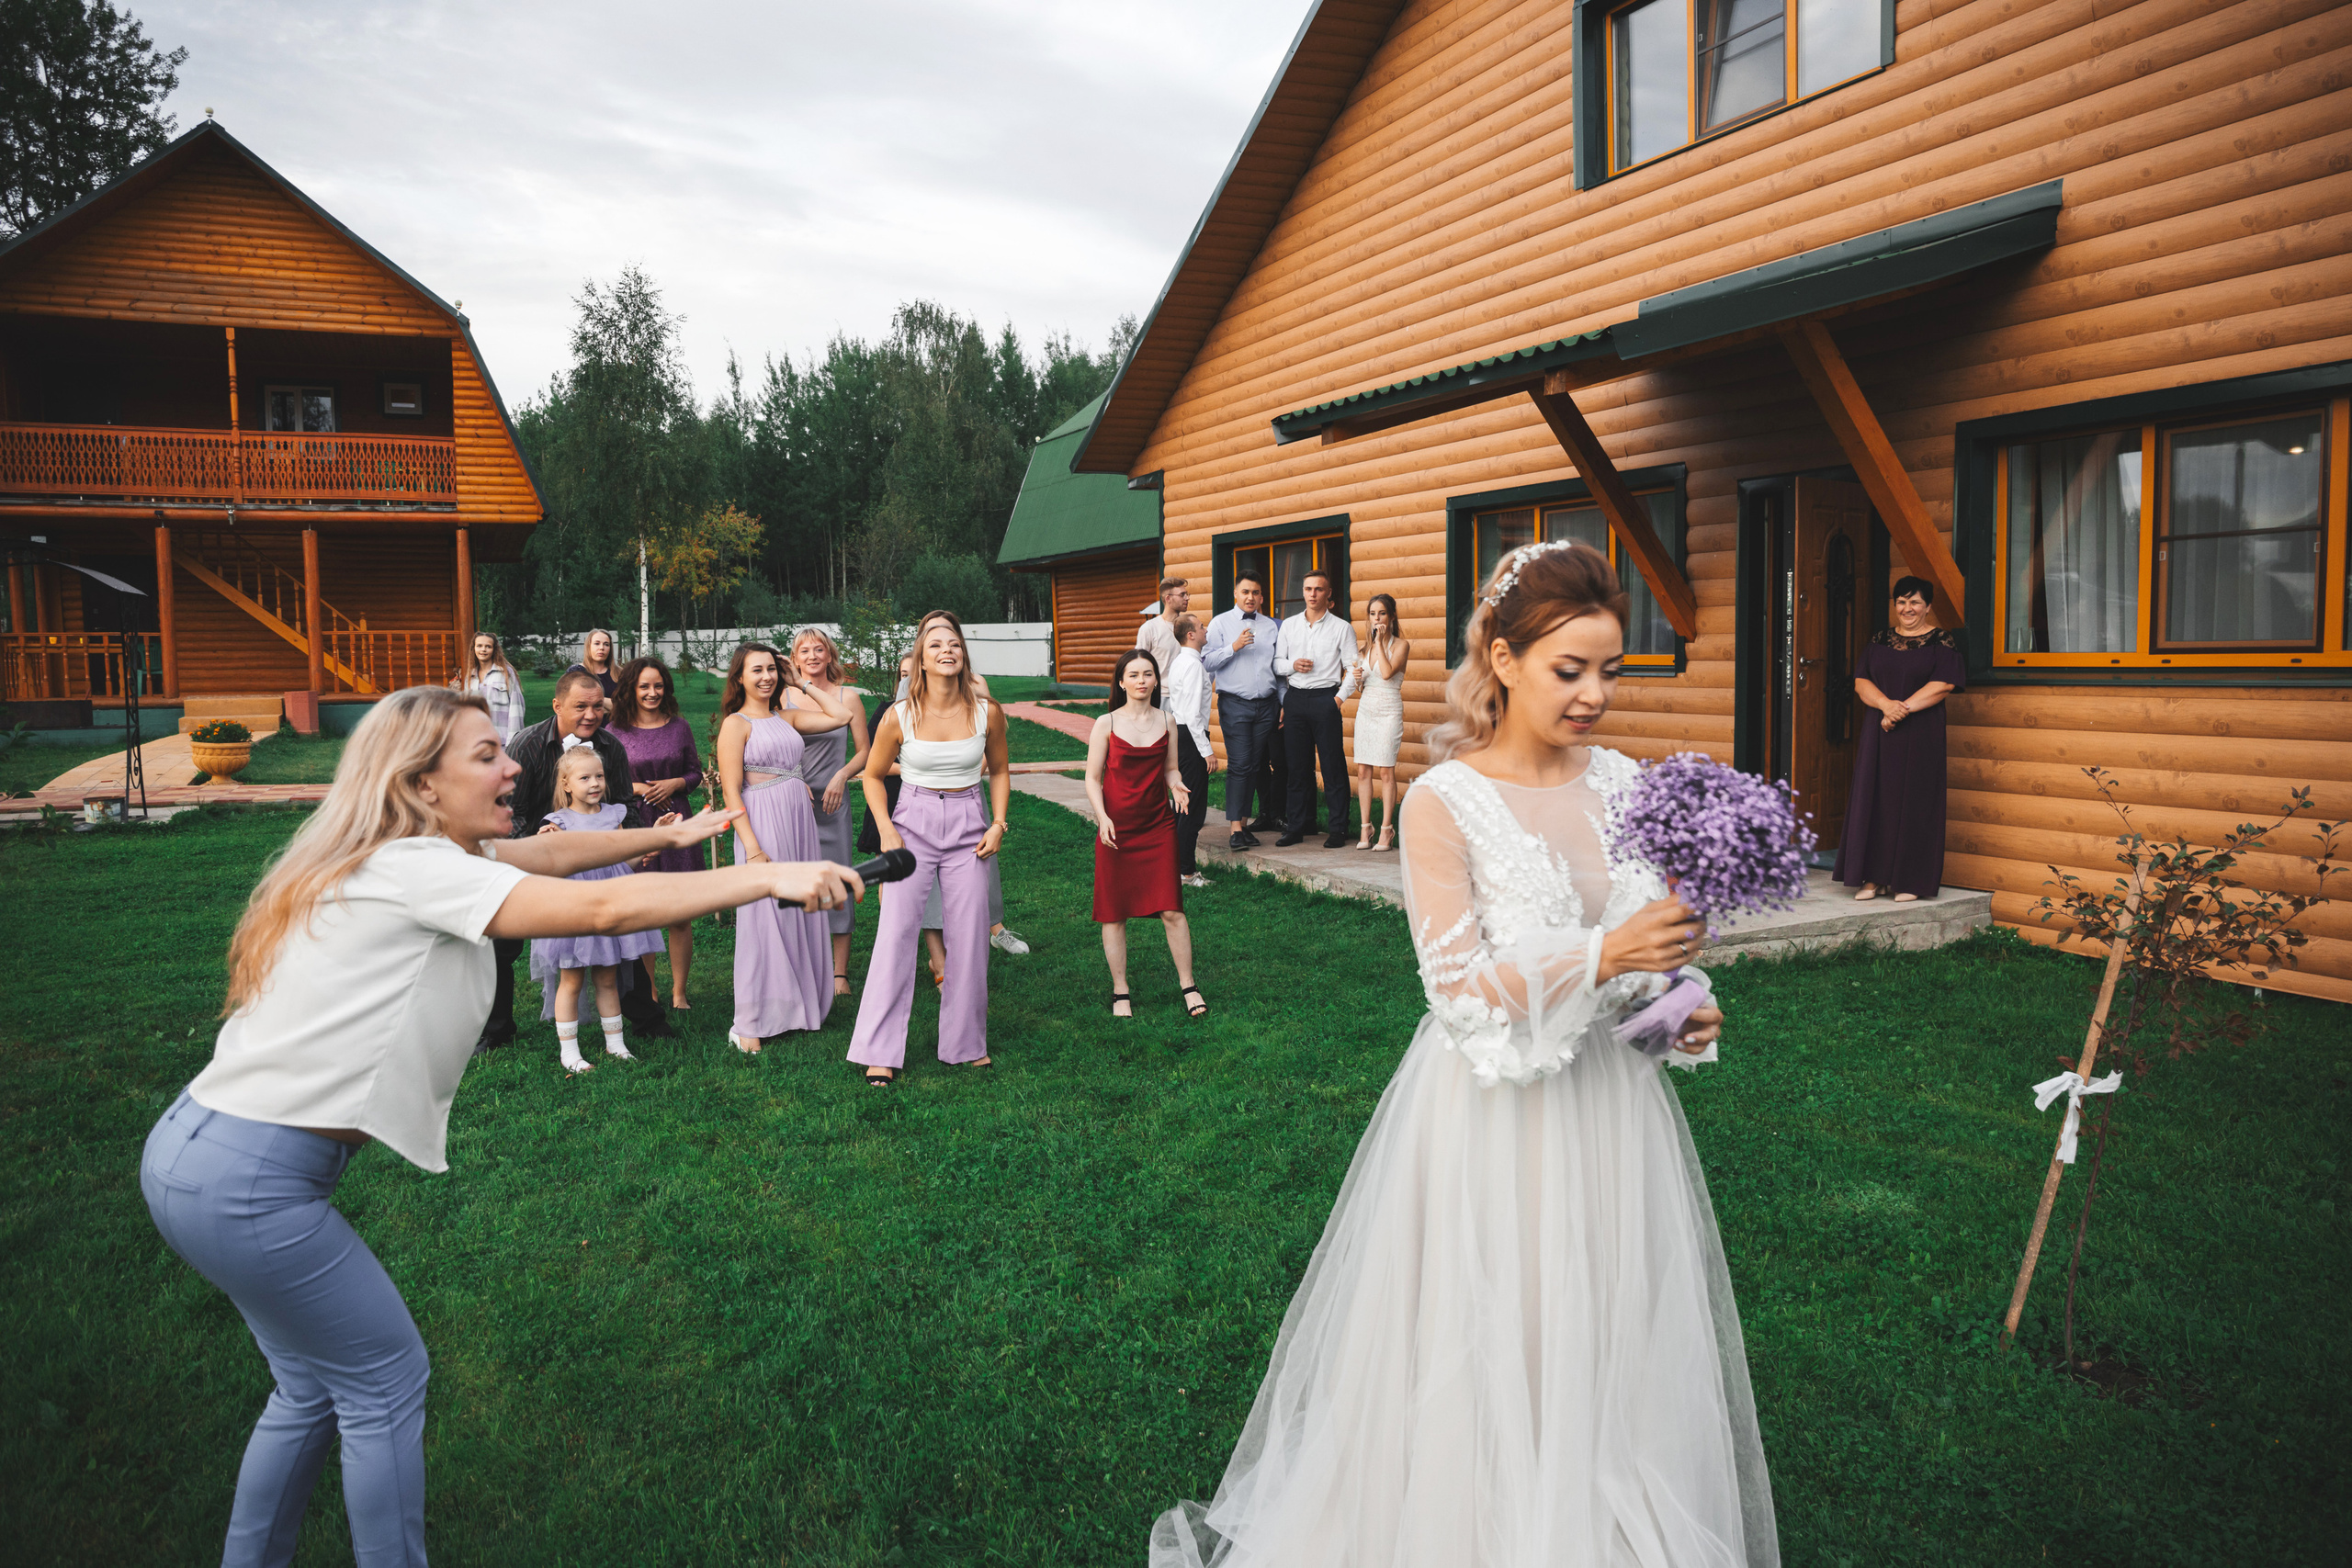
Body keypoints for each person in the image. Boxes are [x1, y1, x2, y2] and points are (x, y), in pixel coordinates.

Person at [1146, 541, 1772, 1568]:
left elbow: (1635, 953)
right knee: (1496, 1330)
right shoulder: (1444, 801)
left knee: (1599, 1329)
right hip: (1493, 1115)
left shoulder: (1626, 784)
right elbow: (1457, 987)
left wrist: (1678, 1003)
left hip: (1612, 1110)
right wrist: (1605, 953)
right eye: (1570, 669)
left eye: (1609, 669)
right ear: (1504, 658)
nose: (1594, 694)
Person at [140, 684, 855, 1568]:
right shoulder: (416, 867)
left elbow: (548, 854)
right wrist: (766, 877)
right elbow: (598, 908)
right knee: (384, 1380)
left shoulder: (406, 852)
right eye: (486, 756)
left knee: (311, 1390)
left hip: (199, 1154)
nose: (514, 766)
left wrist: (669, 837)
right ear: (422, 784)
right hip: (253, 1181)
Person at [848, 610, 1012, 1086]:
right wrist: (886, 829)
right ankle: (880, 1050)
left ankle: (965, 1044)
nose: (947, 650)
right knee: (896, 934)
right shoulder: (898, 715)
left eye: (954, 644)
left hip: (969, 826)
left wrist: (998, 823)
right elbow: (872, 776)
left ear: (964, 655)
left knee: (970, 938)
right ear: (920, 658)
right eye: (936, 644)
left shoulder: (987, 712)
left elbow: (1000, 769)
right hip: (911, 825)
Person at [474, 671, 671, 1052]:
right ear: (557, 706)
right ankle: (497, 1029)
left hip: (597, 859)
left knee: (620, 931)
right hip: (529, 852)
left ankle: (646, 1018)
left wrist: (631, 846)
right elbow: (509, 810)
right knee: (502, 943)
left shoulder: (610, 748)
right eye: (581, 706)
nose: (591, 714)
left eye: (597, 706)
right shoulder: (528, 744)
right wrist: (538, 850)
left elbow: (624, 804)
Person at [716, 642, 855, 1053]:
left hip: (798, 824)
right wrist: (752, 848)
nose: (766, 677)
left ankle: (797, 1006)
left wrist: (800, 683)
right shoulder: (736, 724)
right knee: (764, 918)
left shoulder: (785, 716)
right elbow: (731, 791)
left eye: (771, 669)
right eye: (756, 670)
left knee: (798, 910)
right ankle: (751, 1021)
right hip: (762, 823)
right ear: (740, 678)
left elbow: (842, 716)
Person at [528, 748, 673, 1072]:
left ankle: (616, 1044)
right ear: (566, 784)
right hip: (576, 908)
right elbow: (550, 867)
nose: (594, 783)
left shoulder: (614, 816)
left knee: (608, 977)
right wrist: (545, 844)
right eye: (585, 778)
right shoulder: (558, 823)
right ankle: (570, 1052)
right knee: (572, 979)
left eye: (599, 776)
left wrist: (652, 842)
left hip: (610, 902)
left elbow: (624, 862)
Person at [1088, 649, 1207, 1019]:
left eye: (1148, 674)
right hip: (1117, 828)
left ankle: (1189, 986)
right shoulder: (1106, 723)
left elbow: (1170, 768)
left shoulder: (1167, 720)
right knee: (1114, 913)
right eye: (1134, 675)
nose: (1141, 680)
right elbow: (1092, 778)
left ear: (1156, 681)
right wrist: (1102, 817)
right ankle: (1120, 989)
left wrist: (1176, 784)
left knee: (1172, 909)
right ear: (1121, 682)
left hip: (1158, 826)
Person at [1837, 576, 1966, 903]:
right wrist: (1885, 706)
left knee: (1917, 801)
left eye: (1915, 602)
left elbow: (1943, 685)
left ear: (1928, 607)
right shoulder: (1879, 640)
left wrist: (1900, 710)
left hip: (1922, 734)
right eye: (1901, 602)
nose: (1908, 609)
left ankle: (1910, 880)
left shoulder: (1941, 641)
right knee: (1876, 798)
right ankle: (1874, 878)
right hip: (1879, 732)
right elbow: (1861, 681)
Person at [609, 655, 703, 1010]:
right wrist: (637, 788)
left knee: (679, 912)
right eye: (644, 686)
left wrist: (675, 783)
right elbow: (605, 782)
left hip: (676, 819)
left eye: (658, 686)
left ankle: (679, 992)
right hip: (637, 822)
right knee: (646, 913)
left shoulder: (679, 727)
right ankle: (649, 990)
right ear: (631, 689)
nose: (652, 693)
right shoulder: (615, 731)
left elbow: (694, 772)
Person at [785, 627, 871, 998]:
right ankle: (801, 964)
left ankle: (838, 973)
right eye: (804, 650)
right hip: (792, 799)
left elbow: (865, 751)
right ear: (795, 658)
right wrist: (792, 779)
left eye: (819, 649)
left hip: (833, 802)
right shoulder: (782, 696)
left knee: (838, 880)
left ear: (830, 655)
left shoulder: (847, 697)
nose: (812, 656)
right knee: (797, 881)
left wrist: (842, 775)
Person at [1273, 568, 1358, 848]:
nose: (1313, 594)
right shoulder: (1289, 626)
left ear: (1328, 593)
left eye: (1319, 589)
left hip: (1326, 699)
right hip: (1296, 699)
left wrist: (1337, 700)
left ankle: (1338, 829)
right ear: (1303, 592)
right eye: (1308, 589)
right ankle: (1297, 826)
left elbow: (1354, 668)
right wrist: (1293, 665)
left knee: (1333, 766)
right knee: (1297, 767)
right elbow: (1277, 663)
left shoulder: (1342, 628)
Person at [1203, 570, 1280, 853]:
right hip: (1235, 704)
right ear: (1236, 594)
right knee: (1240, 764)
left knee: (1254, 765)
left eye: (1255, 593)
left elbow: (1277, 667)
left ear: (1262, 597)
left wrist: (1282, 702)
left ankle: (1243, 826)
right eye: (1245, 592)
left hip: (1267, 705)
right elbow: (1207, 661)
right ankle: (1235, 829)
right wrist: (1233, 647)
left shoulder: (1271, 627)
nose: (1250, 597)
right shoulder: (1220, 623)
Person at [1343, 591, 1409, 851]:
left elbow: (1387, 673)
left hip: (1389, 710)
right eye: (1372, 614)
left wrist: (1379, 643)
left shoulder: (1401, 645)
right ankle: (1365, 827)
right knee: (1363, 770)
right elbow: (1362, 686)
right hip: (1367, 711)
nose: (1377, 618)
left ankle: (1386, 830)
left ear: (1391, 616)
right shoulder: (1364, 649)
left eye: (1382, 613)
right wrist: (1358, 679)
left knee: (1385, 770)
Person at [1162, 612, 1216, 886]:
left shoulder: (1182, 662)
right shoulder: (1193, 666)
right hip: (1192, 737)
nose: (1206, 630)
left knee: (1182, 805)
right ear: (1191, 634)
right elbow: (1194, 714)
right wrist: (1207, 750)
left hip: (1181, 735)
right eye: (1202, 626)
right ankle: (1186, 872)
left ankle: (1175, 867)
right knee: (1191, 809)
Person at [450, 632, 525, 744]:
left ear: (494, 650)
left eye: (488, 646)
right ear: (474, 649)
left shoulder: (506, 673)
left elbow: (516, 708)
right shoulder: (470, 677)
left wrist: (513, 742)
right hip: (477, 742)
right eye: (479, 646)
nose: (483, 650)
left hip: (502, 742)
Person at [1137, 573, 1190, 678]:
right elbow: (1139, 662)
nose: (1187, 598)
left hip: (1184, 687)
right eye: (1182, 595)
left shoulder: (1188, 627)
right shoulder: (1149, 628)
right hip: (1160, 688)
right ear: (1168, 599)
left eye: (1187, 594)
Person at [565, 627, 620, 708]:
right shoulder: (576, 672)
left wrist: (592, 700)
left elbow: (628, 706)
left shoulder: (619, 673)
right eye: (597, 643)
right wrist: (613, 705)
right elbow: (571, 703)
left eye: (606, 644)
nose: (602, 648)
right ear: (588, 646)